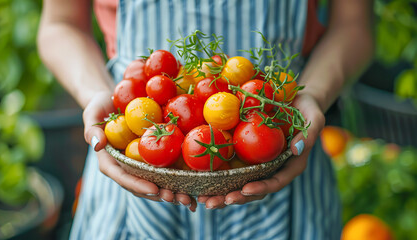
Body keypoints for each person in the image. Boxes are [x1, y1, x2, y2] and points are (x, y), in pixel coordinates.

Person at [38, 0, 373, 239]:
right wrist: (97, 94)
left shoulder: (252, 105)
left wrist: (311, 95)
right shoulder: (153, 103)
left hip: (280, 129)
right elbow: (60, 24)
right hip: (130, 150)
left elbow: (355, 25)